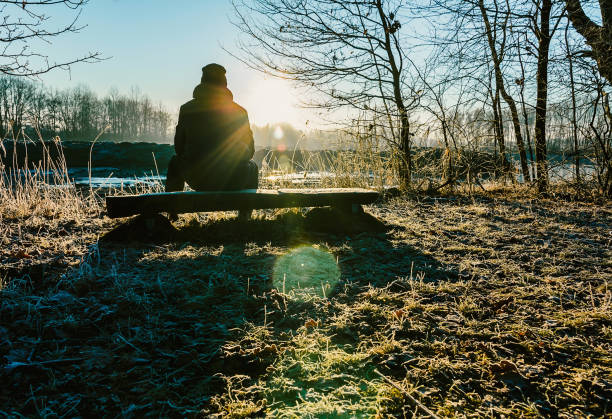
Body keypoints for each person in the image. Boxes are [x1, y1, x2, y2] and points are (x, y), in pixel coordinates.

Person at [165, 63, 258, 219]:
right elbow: (249, 152)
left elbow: (179, 149)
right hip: (232, 179)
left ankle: (172, 213)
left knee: (175, 162)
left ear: (202, 81)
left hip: (198, 178)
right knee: (253, 166)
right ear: (225, 83)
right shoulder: (240, 112)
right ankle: (245, 216)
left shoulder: (187, 109)